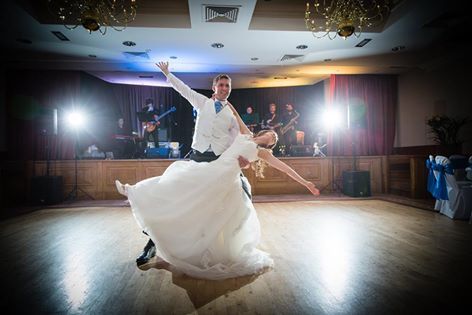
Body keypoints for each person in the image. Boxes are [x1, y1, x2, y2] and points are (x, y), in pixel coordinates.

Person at [115, 102, 319, 279]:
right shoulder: (245, 134)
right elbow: (237, 115)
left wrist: (306, 183)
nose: (272, 136)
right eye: (271, 133)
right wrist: (225, 102)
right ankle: (133, 191)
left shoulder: (262, 153)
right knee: (177, 179)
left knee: (205, 213)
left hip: (227, 181)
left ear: (273, 143)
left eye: (274, 138)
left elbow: (286, 168)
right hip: (213, 169)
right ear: (263, 132)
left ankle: (194, 248)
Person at [132, 61, 252, 267]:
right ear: (214, 87)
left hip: (217, 163)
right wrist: (167, 73)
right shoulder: (202, 102)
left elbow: (244, 137)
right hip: (196, 159)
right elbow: (183, 89)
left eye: (228, 86)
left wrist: (244, 157)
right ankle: (152, 244)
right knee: (174, 201)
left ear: (230, 90)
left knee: (242, 193)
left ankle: (224, 247)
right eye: (221, 85)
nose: (224, 88)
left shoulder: (232, 115)